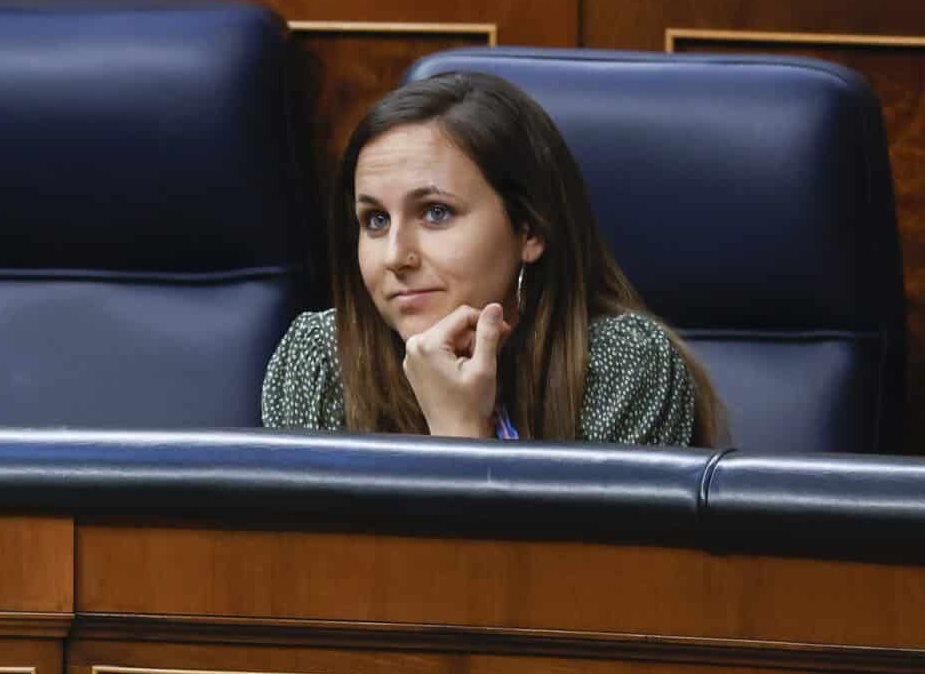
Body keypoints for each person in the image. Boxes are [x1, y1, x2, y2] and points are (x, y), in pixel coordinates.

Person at [261, 72, 723, 446]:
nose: (395, 257)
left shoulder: (623, 365)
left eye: (435, 213)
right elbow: (296, 563)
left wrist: (459, 433)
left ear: (531, 230)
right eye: (376, 220)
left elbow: (581, 566)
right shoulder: (321, 358)